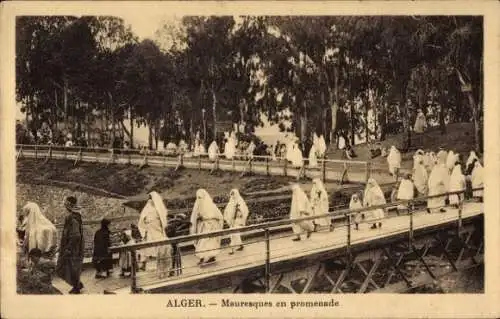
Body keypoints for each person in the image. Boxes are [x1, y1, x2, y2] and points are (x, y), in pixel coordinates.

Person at [137, 191, 170, 277]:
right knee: (145, 248)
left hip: (157, 229)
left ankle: (160, 266)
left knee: (159, 247)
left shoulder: (159, 208)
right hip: (149, 229)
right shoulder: (147, 207)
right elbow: (142, 220)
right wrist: (145, 227)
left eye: (151, 198)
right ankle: (143, 264)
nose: (150, 200)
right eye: (149, 198)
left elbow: (163, 219)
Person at [56, 196, 85, 294]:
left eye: (66, 204)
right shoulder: (74, 216)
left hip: (73, 248)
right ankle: (77, 284)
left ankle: (76, 287)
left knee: (71, 266)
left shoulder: (73, 218)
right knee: (70, 266)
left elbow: (76, 235)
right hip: (73, 246)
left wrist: (68, 248)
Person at [190, 189, 224, 265]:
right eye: (198, 198)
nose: (199, 199)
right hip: (202, 227)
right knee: (201, 242)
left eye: (201, 197)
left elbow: (219, 216)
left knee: (209, 242)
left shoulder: (211, 205)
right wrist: (198, 219)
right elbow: (194, 217)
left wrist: (211, 220)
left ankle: (211, 256)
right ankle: (202, 257)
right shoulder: (197, 205)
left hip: (211, 227)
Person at [223, 189, 249, 254]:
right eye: (231, 194)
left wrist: (239, 210)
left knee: (234, 233)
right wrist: (228, 217)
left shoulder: (240, 201)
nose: (232, 196)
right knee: (235, 233)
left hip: (238, 220)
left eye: (233, 194)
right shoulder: (231, 202)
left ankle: (232, 249)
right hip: (232, 220)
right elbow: (227, 210)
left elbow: (245, 210)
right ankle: (240, 245)